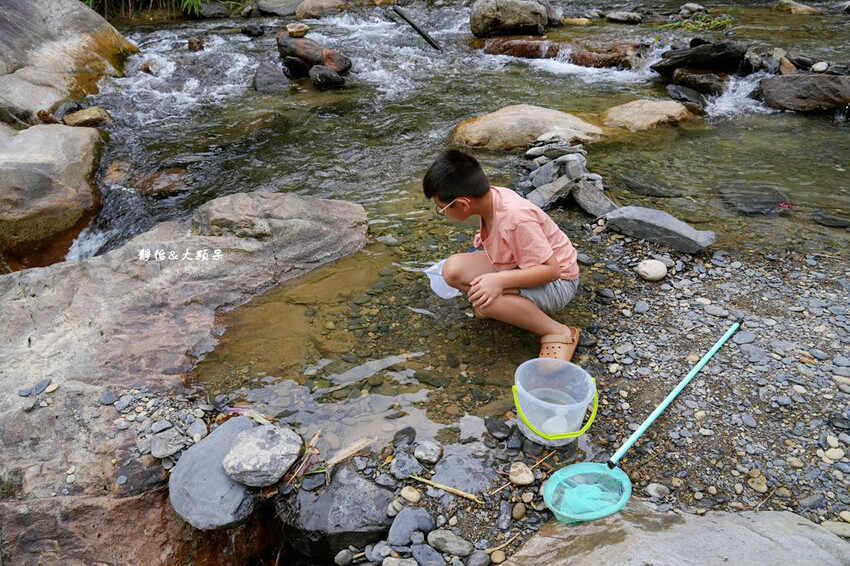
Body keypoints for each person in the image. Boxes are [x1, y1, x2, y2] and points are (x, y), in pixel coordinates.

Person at [423, 149, 582, 361]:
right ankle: (511, 304)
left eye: (441, 209)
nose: (442, 213)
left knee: (485, 302)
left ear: (462, 204)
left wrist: (498, 281)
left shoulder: (515, 219)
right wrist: (487, 237)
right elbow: (508, 231)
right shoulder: (493, 197)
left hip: (559, 282)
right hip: (523, 265)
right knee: (452, 270)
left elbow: (552, 271)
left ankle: (558, 330)